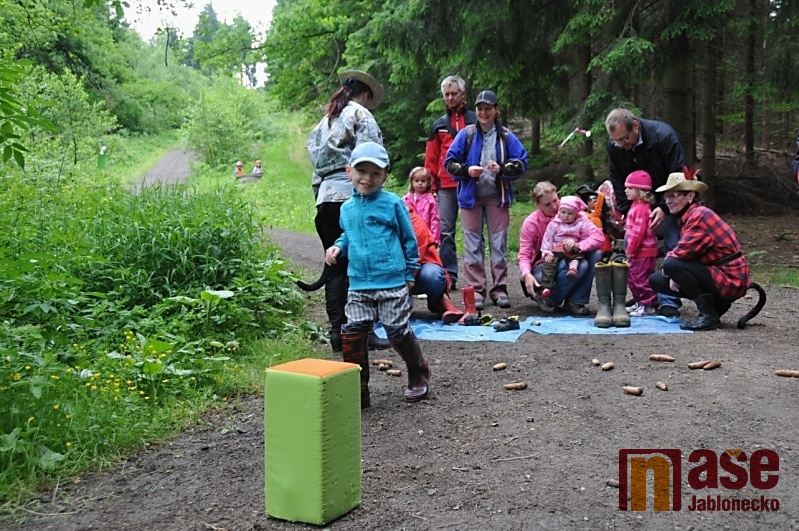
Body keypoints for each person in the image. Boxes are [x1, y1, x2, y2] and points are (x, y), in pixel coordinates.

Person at [325, 142, 430, 407]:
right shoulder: (347, 208)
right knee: (353, 332)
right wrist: (338, 247)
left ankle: (418, 370)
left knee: (396, 332)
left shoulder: (392, 204)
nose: (367, 178)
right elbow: (348, 234)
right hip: (358, 283)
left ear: (385, 176)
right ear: (349, 171)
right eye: (362, 171)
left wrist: (410, 271)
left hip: (391, 280)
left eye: (375, 173)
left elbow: (409, 239)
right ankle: (357, 389)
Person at [307, 70, 388, 353]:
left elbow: (315, 161)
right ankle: (362, 331)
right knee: (362, 263)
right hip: (352, 198)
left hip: (326, 199)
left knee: (335, 265)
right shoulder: (362, 116)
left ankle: (337, 332)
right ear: (365, 95)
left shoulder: (325, 120)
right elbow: (371, 160)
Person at [444, 90, 527, 310]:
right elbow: (450, 162)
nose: (483, 113)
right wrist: (467, 170)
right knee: (472, 245)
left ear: (496, 111)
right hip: (470, 198)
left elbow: (521, 162)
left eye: (488, 109)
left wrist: (502, 169)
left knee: (498, 243)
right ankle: (476, 291)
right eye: (480, 109)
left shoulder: (506, 136)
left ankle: (499, 290)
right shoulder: (467, 134)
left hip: (497, 197)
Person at [605, 108, 688, 318]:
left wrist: (664, 207)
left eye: (624, 139)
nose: (620, 145)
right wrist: (626, 210)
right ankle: (644, 296)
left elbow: (679, 175)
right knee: (636, 253)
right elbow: (617, 178)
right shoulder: (616, 145)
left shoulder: (664, 136)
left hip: (671, 201)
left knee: (672, 246)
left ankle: (669, 299)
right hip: (637, 205)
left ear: (635, 125)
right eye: (616, 141)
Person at [648, 170, 750, 331]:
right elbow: (687, 253)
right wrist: (672, 271)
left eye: (673, 196)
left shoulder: (699, 216)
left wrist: (671, 270)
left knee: (671, 265)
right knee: (656, 280)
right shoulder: (689, 216)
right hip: (716, 272)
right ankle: (716, 306)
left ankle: (709, 314)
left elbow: (682, 252)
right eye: (666, 197)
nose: (668, 201)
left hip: (730, 278)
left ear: (690, 196)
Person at [424, 75, 477, 291]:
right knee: (445, 232)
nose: (450, 98)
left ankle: (476, 278)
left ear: (463, 94)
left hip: (471, 183)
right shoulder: (439, 125)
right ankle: (449, 275)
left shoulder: (475, 120)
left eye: (454, 93)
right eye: (446, 94)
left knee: (473, 232)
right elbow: (432, 157)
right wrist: (430, 186)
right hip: (445, 186)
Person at [518, 182, 603, 315]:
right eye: (547, 204)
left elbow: (598, 237)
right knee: (581, 265)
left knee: (595, 254)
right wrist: (526, 274)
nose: (554, 207)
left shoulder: (574, 214)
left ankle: (576, 301)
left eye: (555, 200)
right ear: (537, 204)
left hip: (572, 255)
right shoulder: (532, 223)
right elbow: (524, 254)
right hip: (545, 264)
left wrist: (578, 246)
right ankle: (547, 298)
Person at [406, 204, 464, 324]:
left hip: (415, 269)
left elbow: (415, 257)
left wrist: (405, 281)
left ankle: (436, 301)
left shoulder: (415, 222)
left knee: (433, 275)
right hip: (391, 274)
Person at [538, 196, 605, 295]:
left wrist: (577, 245)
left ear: (576, 214)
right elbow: (547, 239)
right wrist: (547, 252)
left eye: (570, 213)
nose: (566, 216)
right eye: (563, 212)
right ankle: (547, 287)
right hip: (557, 251)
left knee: (577, 258)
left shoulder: (581, 222)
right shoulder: (554, 223)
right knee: (549, 265)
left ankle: (572, 271)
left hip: (572, 250)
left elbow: (587, 236)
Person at [622, 170, 659, 317]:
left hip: (643, 252)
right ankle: (640, 302)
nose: (626, 190)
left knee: (641, 278)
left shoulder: (641, 209)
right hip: (638, 251)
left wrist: (630, 249)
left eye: (630, 188)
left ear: (640, 190)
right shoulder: (635, 206)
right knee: (633, 277)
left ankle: (648, 305)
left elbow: (638, 233)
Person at [402, 167, 440, 244]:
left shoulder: (430, 200)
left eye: (423, 181)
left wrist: (434, 239)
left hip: (426, 235)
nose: (420, 183)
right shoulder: (405, 200)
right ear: (411, 182)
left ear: (428, 183)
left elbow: (434, 220)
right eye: (416, 180)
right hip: (410, 234)